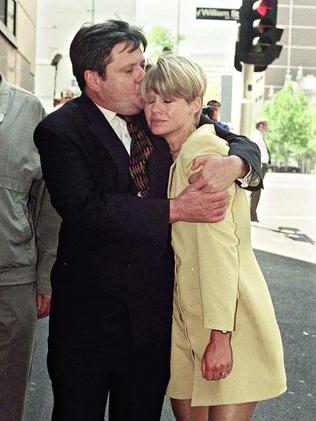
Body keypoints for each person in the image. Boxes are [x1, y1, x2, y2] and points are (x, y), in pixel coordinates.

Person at [33, 20, 262, 421]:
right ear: (93, 79)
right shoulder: (60, 130)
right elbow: (86, 209)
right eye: (130, 69)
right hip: (87, 325)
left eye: (143, 64)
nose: (143, 78)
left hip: (152, 324)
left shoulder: (155, 115)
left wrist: (236, 163)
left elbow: (232, 139)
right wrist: (176, 209)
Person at [142, 54, 286, 421]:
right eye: (150, 100)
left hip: (225, 322)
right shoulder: (173, 153)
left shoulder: (203, 154)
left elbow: (220, 250)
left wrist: (220, 337)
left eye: (168, 101)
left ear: (195, 105)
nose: (156, 109)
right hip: (189, 322)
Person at [0, 73, 60, 421]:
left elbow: (48, 205)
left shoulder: (29, 109)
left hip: (13, 280)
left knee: (8, 400)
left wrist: (44, 277)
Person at [249, 119, 271, 222]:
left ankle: (252, 213)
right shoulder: (256, 137)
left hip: (261, 166)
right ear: (261, 125)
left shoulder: (259, 136)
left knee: (256, 190)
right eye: (266, 126)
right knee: (256, 190)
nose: (267, 128)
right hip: (259, 166)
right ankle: (252, 214)